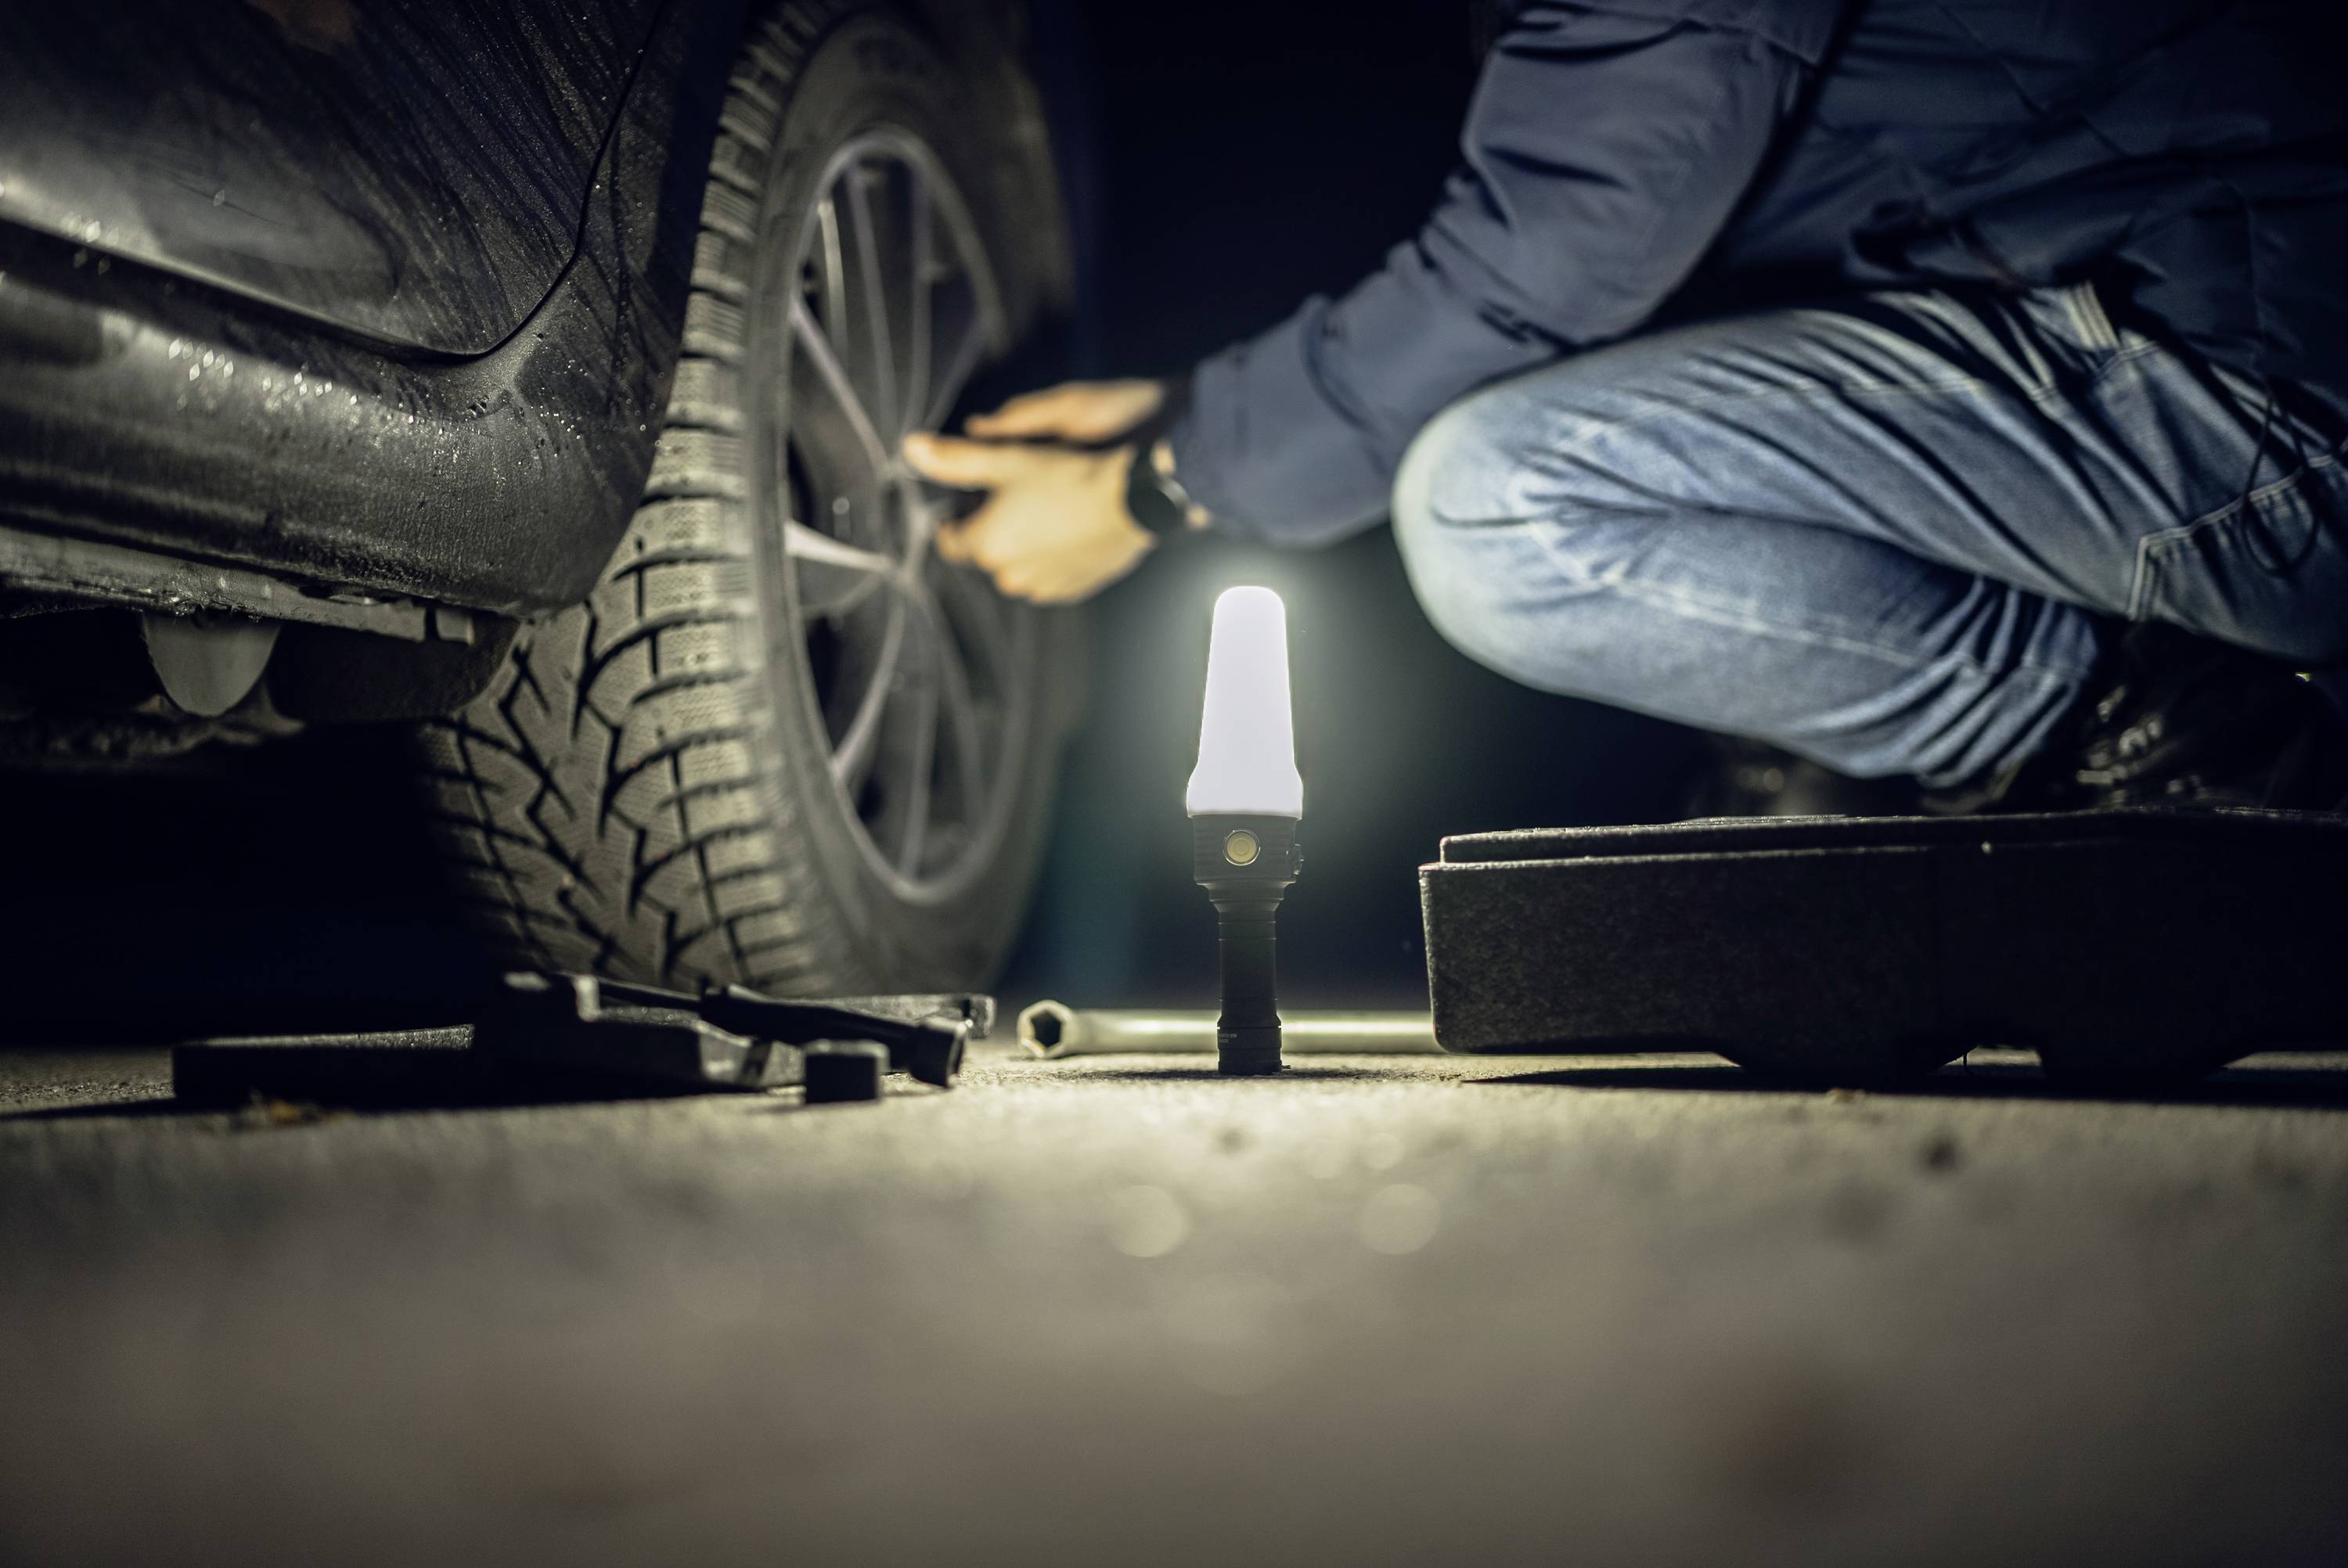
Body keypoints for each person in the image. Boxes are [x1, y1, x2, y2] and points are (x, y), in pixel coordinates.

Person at [903, 0, 2348, 812]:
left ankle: (2199, 749)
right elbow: (1615, 214)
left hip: (2280, 412)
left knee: (1502, 500)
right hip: (2211, 332)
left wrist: (1167, 486)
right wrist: (1197, 413)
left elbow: (1555, 253)